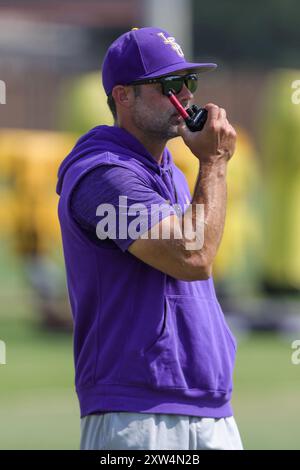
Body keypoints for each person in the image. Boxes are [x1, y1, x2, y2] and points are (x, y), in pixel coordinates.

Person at [56, 26, 243, 450]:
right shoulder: (102, 176)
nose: (187, 97)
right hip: (137, 413)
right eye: (170, 85)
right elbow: (192, 258)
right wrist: (214, 162)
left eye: (190, 82)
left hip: (208, 406)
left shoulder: (174, 172)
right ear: (123, 96)